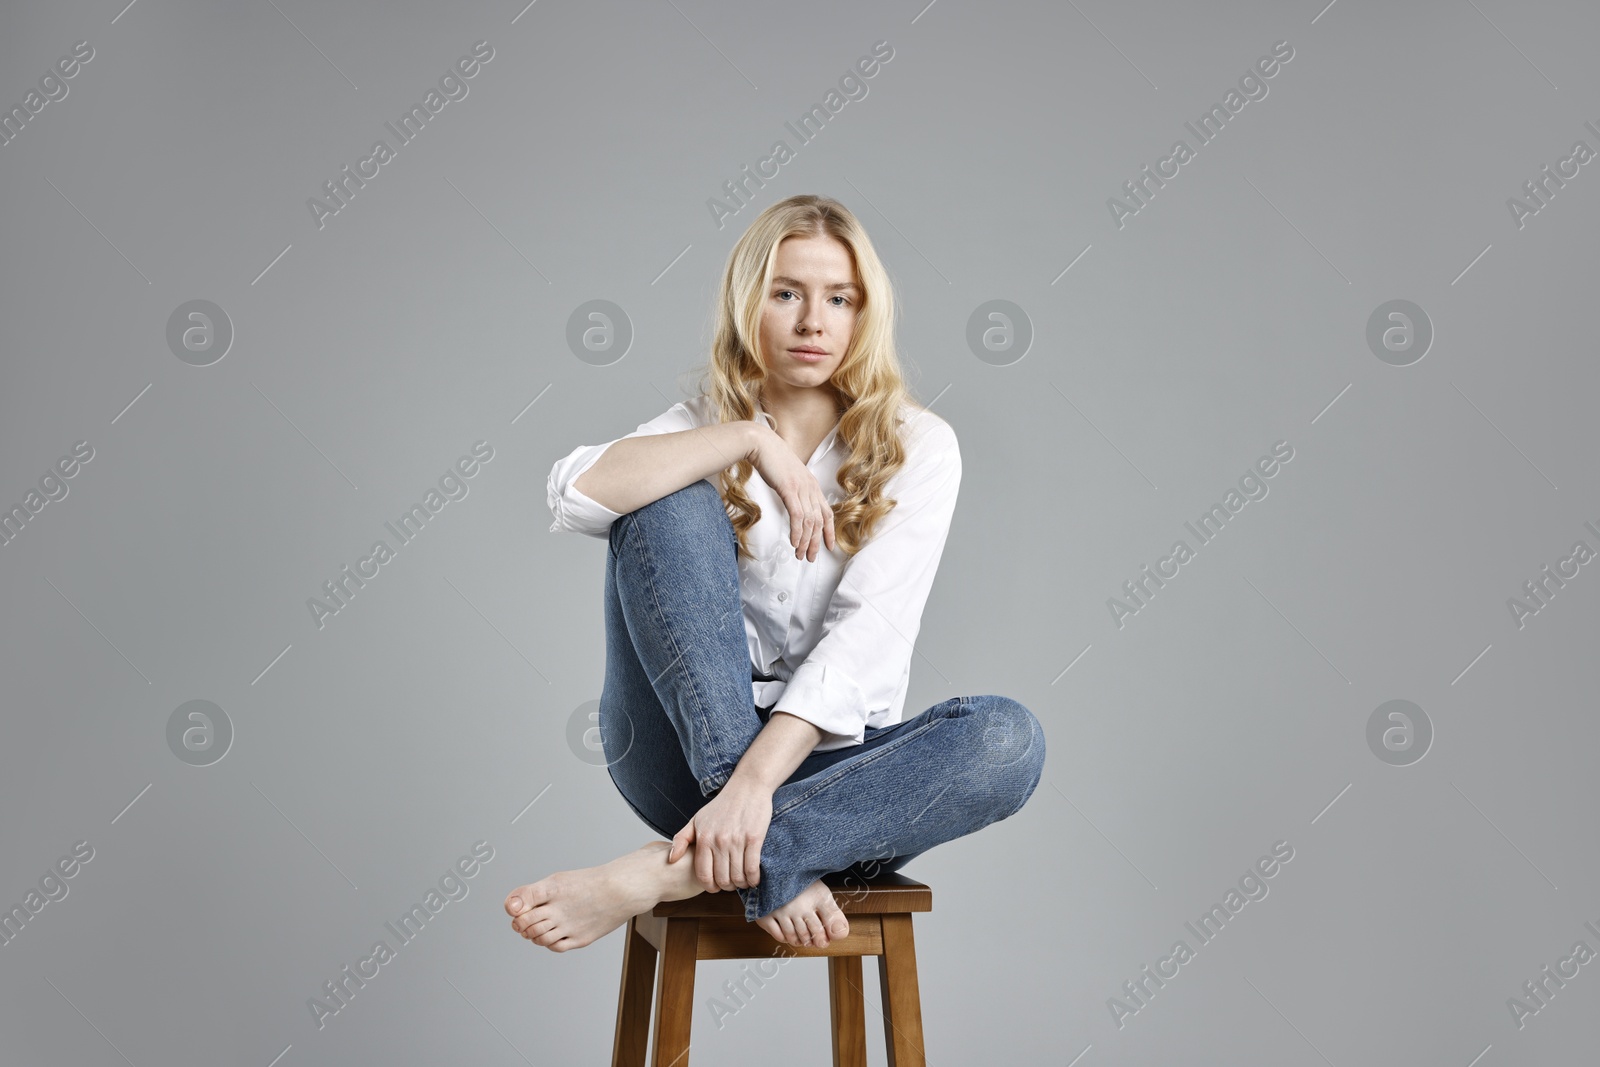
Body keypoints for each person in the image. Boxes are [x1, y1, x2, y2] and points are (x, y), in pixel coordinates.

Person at [504, 194, 1044, 953]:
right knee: (666, 500)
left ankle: (671, 870)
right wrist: (746, 442)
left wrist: (756, 791)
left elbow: (867, 642)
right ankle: (756, 843)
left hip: (843, 779)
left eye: (839, 298)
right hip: (678, 763)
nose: (812, 321)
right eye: (786, 293)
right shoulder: (702, 427)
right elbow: (574, 492)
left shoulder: (921, 445)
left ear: (864, 315)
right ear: (748, 302)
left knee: (1006, 741)